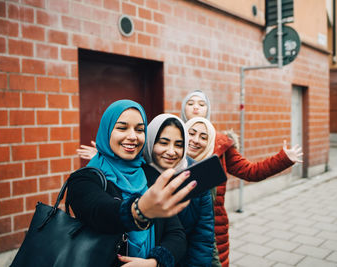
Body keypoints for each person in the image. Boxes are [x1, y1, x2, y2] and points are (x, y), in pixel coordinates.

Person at [67, 100, 197, 267]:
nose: (133, 136)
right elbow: (99, 211)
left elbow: (176, 234)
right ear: (107, 131)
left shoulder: (151, 175)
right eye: (122, 127)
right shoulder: (84, 179)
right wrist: (139, 210)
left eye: (140, 129)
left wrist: (154, 262)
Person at [181, 91, 303, 267]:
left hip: (213, 227)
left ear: (208, 110)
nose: (196, 107)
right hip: (177, 228)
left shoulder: (221, 144)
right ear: (183, 108)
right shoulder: (171, 141)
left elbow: (250, 171)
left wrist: (283, 159)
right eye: (190, 103)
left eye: (201, 104)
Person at [142, 114, 216, 267]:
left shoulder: (197, 176)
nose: (171, 151)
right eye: (163, 143)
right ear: (150, 142)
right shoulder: (137, 175)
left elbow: (203, 237)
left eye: (179, 145)